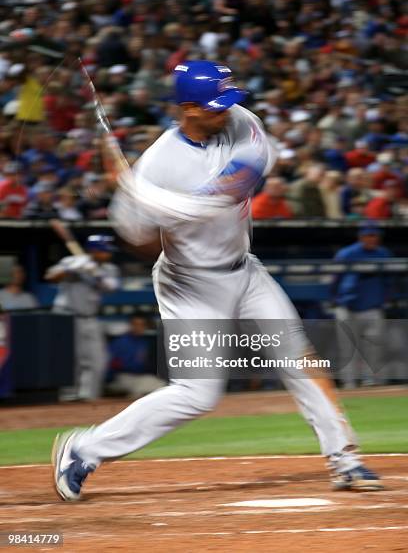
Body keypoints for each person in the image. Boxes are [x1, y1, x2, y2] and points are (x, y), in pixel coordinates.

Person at [52, 60, 382, 502]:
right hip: (188, 285)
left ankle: (344, 460)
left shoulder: (244, 126)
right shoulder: (158, 164)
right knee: (197, 394)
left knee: (300, 359)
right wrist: (137, 201)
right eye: (214, 105)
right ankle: (82, 450)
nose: (226, 110)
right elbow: (139, 239)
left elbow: (222, 196)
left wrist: (148, 196)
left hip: (244, 270)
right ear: (188, 108)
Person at [45, 235, 120, 401]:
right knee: (72, 360)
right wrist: (71, 270)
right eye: (104, 251)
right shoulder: (71, 261)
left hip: (91, 318)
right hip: (68, 316)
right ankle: (68, 397)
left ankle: (90, 398)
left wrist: (95, 274)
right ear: (94, 251)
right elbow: (50, 277)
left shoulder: (108, 269)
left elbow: (112, 287)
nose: (108, 255)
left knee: (99, 360)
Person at [333, 223, 393, 388]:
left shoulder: (383, 254)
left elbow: (388, 282)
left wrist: (385, 299)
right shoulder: (347, 253)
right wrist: (336, 300)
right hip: (347, 307)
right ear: (361, 237)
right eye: (368, 235)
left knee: (374, 348)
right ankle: (349, 382)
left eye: (374, 235)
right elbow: (334, 279)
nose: (372, 239)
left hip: (373, 308)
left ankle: (372, 381)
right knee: (347, 348)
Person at [107, 316, 165, 398]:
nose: (138, 327)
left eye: (141, 325)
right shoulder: (120, 341)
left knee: (161, 385)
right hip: (123, 376)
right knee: (142, 387)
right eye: (135, 324)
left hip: (143, 377)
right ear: (130, 325)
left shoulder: (147, 341)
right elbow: (110, 365)